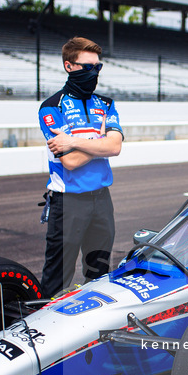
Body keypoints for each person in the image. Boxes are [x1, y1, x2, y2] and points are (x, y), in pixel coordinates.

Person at [37, 36, 124, 297]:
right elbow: (70, 161)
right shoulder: (51, 107)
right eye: (87, 67)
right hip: (68, 203)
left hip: (101, 200)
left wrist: (76, 140)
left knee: (98, 275)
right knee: (56, 280)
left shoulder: (106, 103)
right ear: (69, 66)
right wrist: (101, 140)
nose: (93, 73)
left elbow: (115, 148)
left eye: (97, 67)